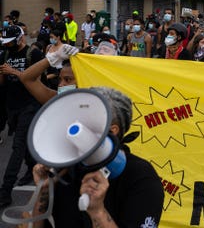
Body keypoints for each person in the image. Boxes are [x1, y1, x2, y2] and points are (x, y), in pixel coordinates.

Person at [26, 87, 165, 227]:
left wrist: (97, 211)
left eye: (83, 123)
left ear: (111, 131)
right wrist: (42, 190)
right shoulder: (64, 169)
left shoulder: (142, 178)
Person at [0, 26, 45, 208]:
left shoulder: (32, 55)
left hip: (30, 105)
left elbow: (37, 81)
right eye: (5, 43)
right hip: (12, 107)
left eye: (11, 42)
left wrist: (14, 72)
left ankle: (5, 190)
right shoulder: (4, 55)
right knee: (24, 142)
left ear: (19, 39)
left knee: (18, 146)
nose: (8, 45)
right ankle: (30, 169)